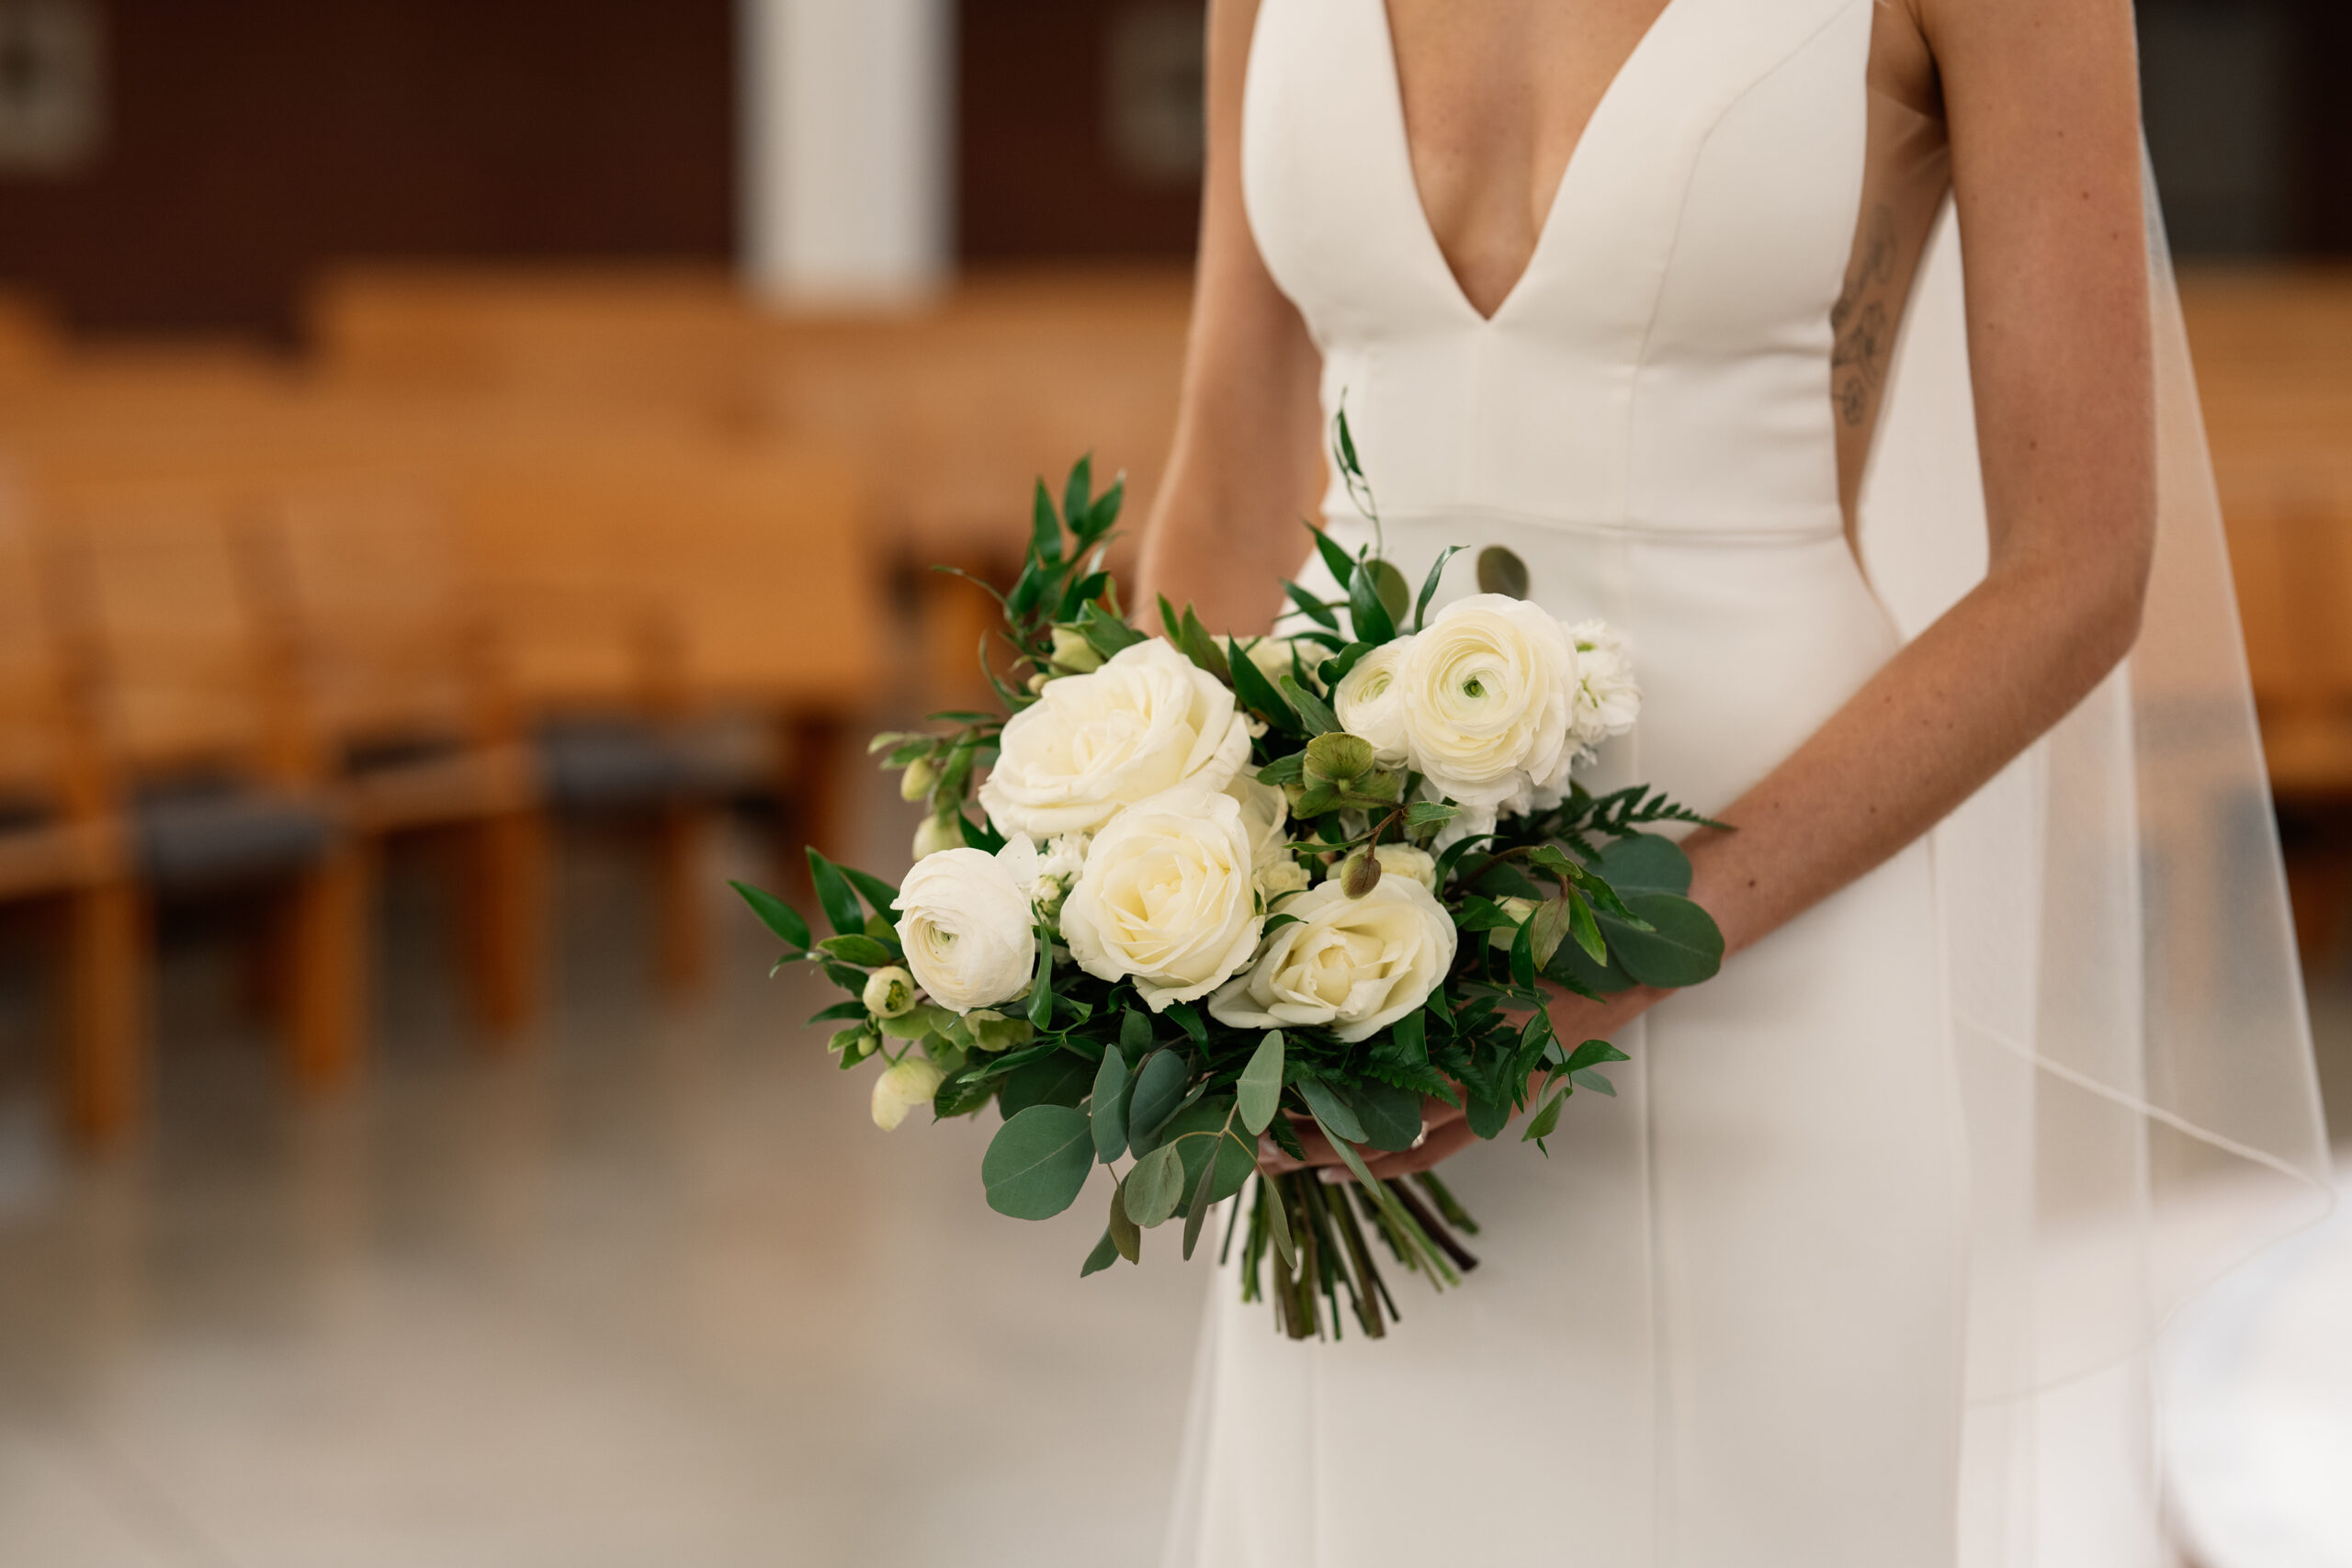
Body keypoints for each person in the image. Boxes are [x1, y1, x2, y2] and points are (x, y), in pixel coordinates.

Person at [1135, 0, 2333, 1562]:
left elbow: (2078, 569)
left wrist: (1603, 957)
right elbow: (1228, 497)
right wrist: (1158, 914)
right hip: (1356, 995)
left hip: (1777, 986)